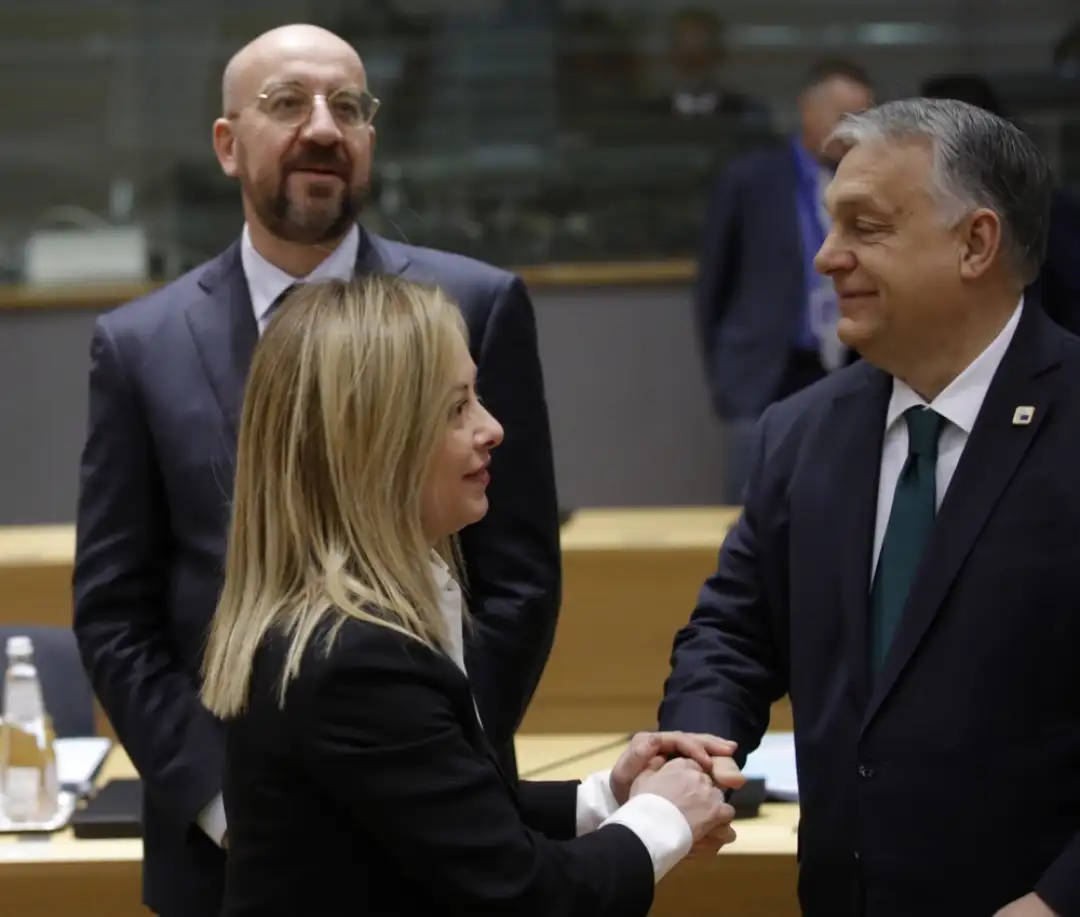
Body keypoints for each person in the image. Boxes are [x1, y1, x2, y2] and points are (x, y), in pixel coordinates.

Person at [72, 24, 561, 917]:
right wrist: (229, 804)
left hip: (445, 839)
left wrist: (433, 779)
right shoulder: (140, 345)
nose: (325, 128)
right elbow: (117, 611)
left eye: (349, 106)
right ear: (228, 144)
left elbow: (518, 578)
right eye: (288, 103)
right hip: (220, 852)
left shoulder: (473, 305)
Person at [200, 275, 742, 916]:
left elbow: (444, 814)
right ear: (375, 442)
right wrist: (662, 818)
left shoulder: (357, 625)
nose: (493, 428)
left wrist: (609, 796)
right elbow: (526, 898)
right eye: (456, 408)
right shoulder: (357, 660)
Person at [659, 98, 1080, 917]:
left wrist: (1060, 899)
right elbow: (733, 632)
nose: (826, 257)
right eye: (830, 225)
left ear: (976, 243)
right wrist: (697, 741)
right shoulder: (801, 430)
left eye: (866, 227)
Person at [694, 59, 873, 502]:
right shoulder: (751, 178)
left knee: (844, 501)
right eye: (844, 118)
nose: (855, 133)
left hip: (850, 364)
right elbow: (714, 282)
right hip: (764, 368)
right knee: (752, 505)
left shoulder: (873, 185)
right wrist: (723, 372)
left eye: (865, 120)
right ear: (807, 111)